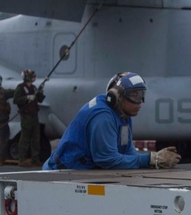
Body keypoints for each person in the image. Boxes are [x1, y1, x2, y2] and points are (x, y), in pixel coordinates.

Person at [43, 71, 180, 170]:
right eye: (134, 96)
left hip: (82, 171)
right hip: (62, 172)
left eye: (141, 96)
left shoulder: (123, 113)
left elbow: (127, 151)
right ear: (116, 96)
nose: (140, 102)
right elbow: (107, 159)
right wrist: (151, 159)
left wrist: (151, 160)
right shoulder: (103, 117)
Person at [14, 68, 46, 167]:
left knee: (36, 139)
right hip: (26, 116)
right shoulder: (20, 88)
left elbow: (40, 99)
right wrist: (26, 98)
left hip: (34, 116)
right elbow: (16, 100)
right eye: (32, 75)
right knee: (25, 139)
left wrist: (41, 90)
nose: (33, 77)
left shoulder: (34, 88)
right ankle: (22, 159)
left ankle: (35, 159)